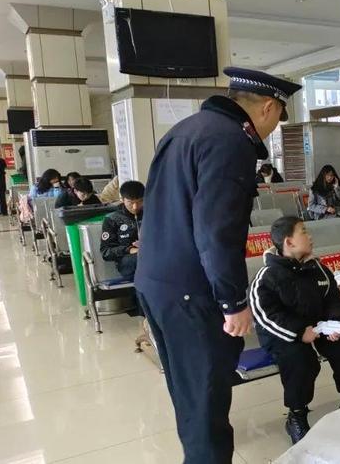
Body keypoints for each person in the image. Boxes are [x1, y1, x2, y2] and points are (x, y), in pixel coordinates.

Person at [135, 67, 302, 464]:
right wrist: (232, 302)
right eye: (279, 117)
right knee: (207, 400)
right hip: (194, 292)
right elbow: (216, 232)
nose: (276, 126)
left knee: (191, 396)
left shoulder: (186, 130)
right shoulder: (230, 142)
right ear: (268, 107)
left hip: (158, 283)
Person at [249, 216, 340, 444]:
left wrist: (335, 322)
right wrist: (300, 332)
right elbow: (265, 313)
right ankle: (296, 414)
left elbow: (333, 298)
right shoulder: (267, 276)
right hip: (282, 333)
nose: (309, 236)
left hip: (318, 326)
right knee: (301, 359)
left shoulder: (317, 268)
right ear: (289, 242)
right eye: (304, 231)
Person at [100, 181, 144, 280]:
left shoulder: (151, 215)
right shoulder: (112, 219)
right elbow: (106, 252)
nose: (135, 207)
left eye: (139, 201)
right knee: (143, 258)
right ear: (122, 200)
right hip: (127, 261)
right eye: (131, 202)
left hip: (151, 255)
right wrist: (130, 249)